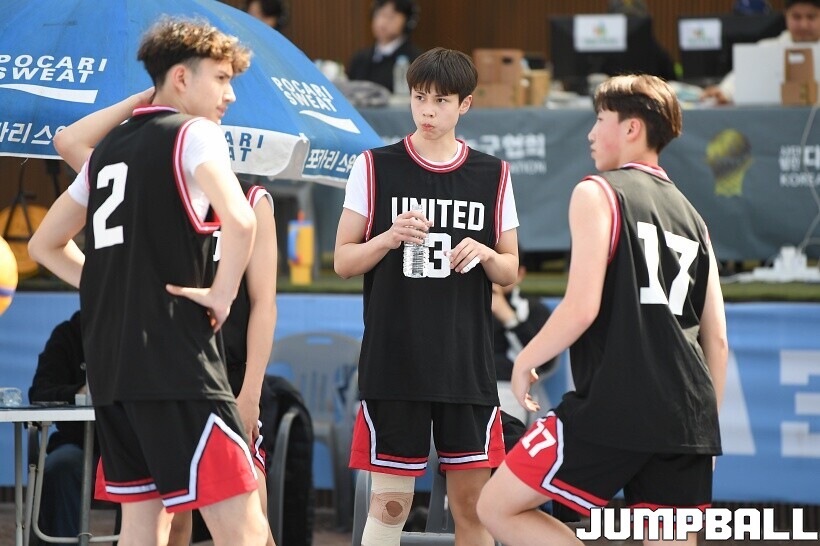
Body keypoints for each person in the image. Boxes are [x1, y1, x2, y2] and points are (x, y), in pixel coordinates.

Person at [28, 17, 268, 546]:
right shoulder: (195, 133)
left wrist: (109, 283)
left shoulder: (109, 151)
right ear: (181, 77)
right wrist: (223, 294)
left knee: (142, 528)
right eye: (221, 78)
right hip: (178, 364)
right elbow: (242, 220)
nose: (230, 94)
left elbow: (43, 244)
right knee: (246, 531)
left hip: (113, 370)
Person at [477, 74, 728, 546]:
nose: (591, 133)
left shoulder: (597, 191)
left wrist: (526, 359)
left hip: (617, 402)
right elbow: (716, 339)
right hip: (687, 416)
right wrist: (705, 429)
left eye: (599, 120)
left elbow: (581, 308)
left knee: (495, 506)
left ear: (632, 128)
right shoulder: (696, 218)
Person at [335, 47, 519, 545]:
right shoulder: (374, 166)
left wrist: (485, 252)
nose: (428, 111)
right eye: (419, 98)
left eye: (441, 100)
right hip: (395, 360)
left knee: (473, 508)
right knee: (390, 505)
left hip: (465, 363)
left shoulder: (493, 174)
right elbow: (343, 262)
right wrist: (388, 237)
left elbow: (509, 270)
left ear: (465, 105)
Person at [28, 310, 111, 545]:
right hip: (77, 443)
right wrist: (79, 392)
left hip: (129, 446)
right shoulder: (68, 334)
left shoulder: (138, 333)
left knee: (145, 475)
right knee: (61, 467)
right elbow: (39, 393)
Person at [701, 0, 820, 104]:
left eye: (811, 17)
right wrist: (723, 92)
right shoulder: (765, 49)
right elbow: (734, 83)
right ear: (786, 15)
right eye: (796, 17)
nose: (804, 25)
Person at [492, 246, 556, 424]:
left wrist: (507, 316)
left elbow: (545, 361)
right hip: (463, 386)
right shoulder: (465, 305)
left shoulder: (535, 309)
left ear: (520, 274)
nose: (497, 274)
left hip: (507, 387)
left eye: (504, 266)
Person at [347, 0, 423, 92]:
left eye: (390, 17)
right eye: (377, 15)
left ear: (408, 21)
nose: (381, 22)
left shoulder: (416, 60)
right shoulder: (359, 59)